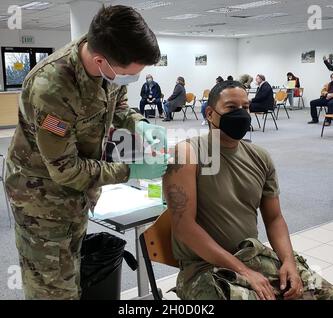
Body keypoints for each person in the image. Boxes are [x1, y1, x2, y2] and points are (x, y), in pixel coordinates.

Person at [5, 5, 169, 300]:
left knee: (72, 274)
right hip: (40, 199)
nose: (133, 79)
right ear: (100, 61)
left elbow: (118, 105)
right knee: (52, 289)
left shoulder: (108, 64)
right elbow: (66, 169)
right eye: (131, 74)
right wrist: (132, 171)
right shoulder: (52, 87)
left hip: (77, 195)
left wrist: (140, 123)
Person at [163, 80, 333, 300]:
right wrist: (243, 272)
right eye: (232, 108)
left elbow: (274, 218)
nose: (241, 114)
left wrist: (288, 261)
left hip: (252, 255)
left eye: (245, 107)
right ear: (210, 113)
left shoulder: (260, 157)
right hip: (203, 268)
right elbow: (184, 227)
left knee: (324, 294)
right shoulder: (186, 154)